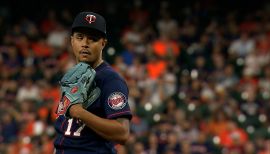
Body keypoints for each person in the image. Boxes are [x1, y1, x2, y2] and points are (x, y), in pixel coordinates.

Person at [54, 11, 132, 154]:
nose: (85, 44)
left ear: (103, 43)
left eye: (93, 39)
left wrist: (80, 112)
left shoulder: (111, 80)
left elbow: (122, 133)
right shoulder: (73, 75)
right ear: (72, 41)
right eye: (80, 37)